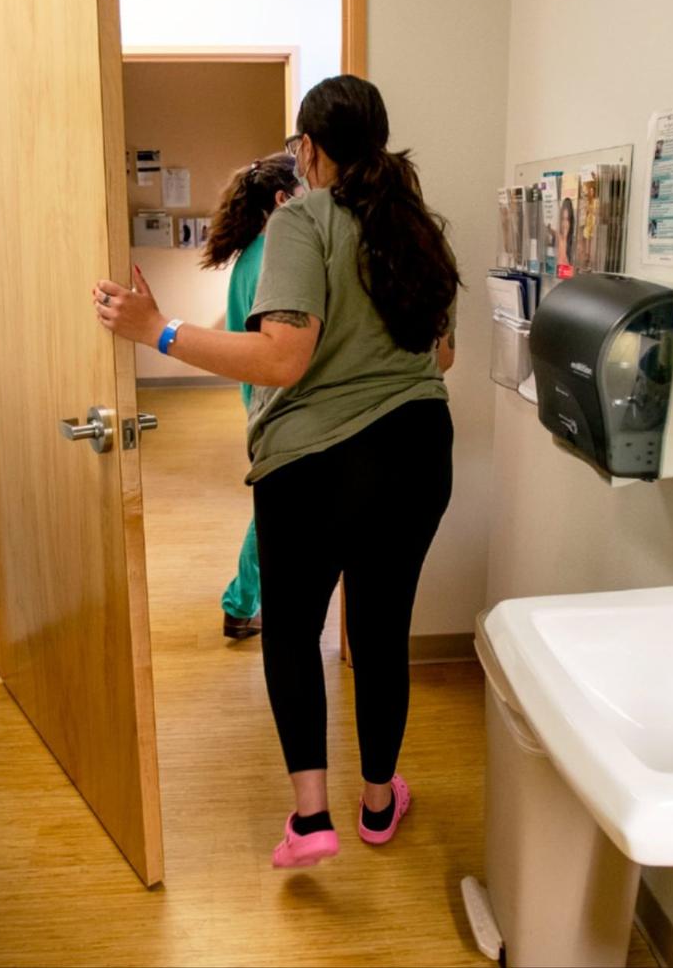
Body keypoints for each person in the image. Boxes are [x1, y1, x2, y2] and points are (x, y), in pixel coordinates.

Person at [93, 75, 459, 868]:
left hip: (317, 463)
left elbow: (283, 359)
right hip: (418, 450)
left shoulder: (305, 219)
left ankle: (310, 819)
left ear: (310, 149)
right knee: (380, 630)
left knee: (292, 630)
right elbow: (443, 355)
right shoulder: (421, 228)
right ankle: (377, 802)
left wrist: (157, 331)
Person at [202, 153, 303, 639]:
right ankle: (240, 602)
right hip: (279, 399)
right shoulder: (274, 260)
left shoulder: (251, 256)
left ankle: (242, 602)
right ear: (283, 200)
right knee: (273, 510)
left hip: (261, 396)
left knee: (274, 506)